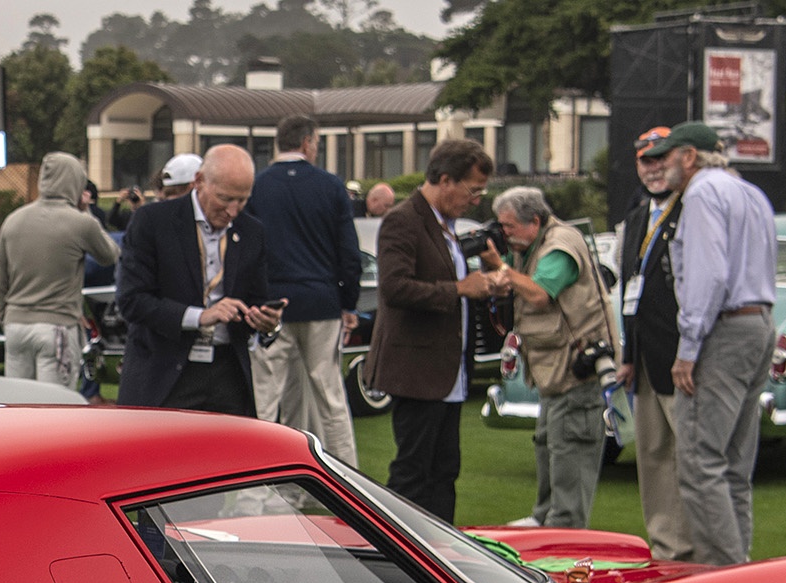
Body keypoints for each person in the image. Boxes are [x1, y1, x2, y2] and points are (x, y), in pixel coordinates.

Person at [650, 122, 778, 566]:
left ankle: (725, 576)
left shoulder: (702, 193)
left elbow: (710, 274)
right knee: (734, 469)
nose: (660, 164)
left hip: (724, 330)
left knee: (702, 463)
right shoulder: (749, 192)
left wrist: (688, 348)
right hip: (758, 323)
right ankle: (739, 568)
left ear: (689, 156)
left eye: (667, 155)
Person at [365, 138, 500, 520]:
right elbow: (394, 287)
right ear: (445, 180)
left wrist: (488, 280)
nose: (476, 200)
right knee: (412, 474)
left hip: (448, 372)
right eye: (472, 190)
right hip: (417, 372)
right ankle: (394, 558)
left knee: (444, 472)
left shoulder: (447, 226)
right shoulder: (403, 220)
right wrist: (459, 288)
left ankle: (442, 561)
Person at [114, 144, 282, 415]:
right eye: (225, 198)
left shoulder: (251, 232)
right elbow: (132, 301)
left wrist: (268, 323)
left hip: (229, 375)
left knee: (232, 457)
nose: (233, 210)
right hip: (164, 371)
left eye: (242, 200)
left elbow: (257, 300)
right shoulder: (152, 221)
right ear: (199, 181)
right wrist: (199, 317)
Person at [496, 185, 618, 530]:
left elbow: (539, 295)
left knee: (570, 451)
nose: (504, 234)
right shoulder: (534, 245)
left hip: (576, 371)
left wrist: (502, 270)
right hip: (554, 374)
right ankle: (545, 519)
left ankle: (565, 532)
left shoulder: (560, 246)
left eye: (509, 227)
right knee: (550, 444)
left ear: (534, 221)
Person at [245, 114, 363, 462]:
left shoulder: (257, 186)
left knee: (266, 401)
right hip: (321, 302)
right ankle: (350, 481)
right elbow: (349, 253)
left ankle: (257, 491)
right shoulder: (330, 185)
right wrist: (349, 303)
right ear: (308, 142)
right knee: (330, 398)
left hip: (271, 305)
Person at [615, 127, 694, 561]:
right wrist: (627, 356)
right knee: (653, 456)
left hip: (685, 358)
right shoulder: (636, 217)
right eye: (646, 160)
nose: (654, 168)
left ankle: (703, 551)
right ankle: (667, 551)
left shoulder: (692, 209)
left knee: (691, 459)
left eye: (661, 158)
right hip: (645, 357)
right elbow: (631, 287)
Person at [0, 151, 117, 391]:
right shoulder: (81, 223)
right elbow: (109, 254)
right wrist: (87, 211)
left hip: (16, 325)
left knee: (18, 407)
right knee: (55, 410)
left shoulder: (14, 220)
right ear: (76, 183)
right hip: (57, 326)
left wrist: (6, 318)